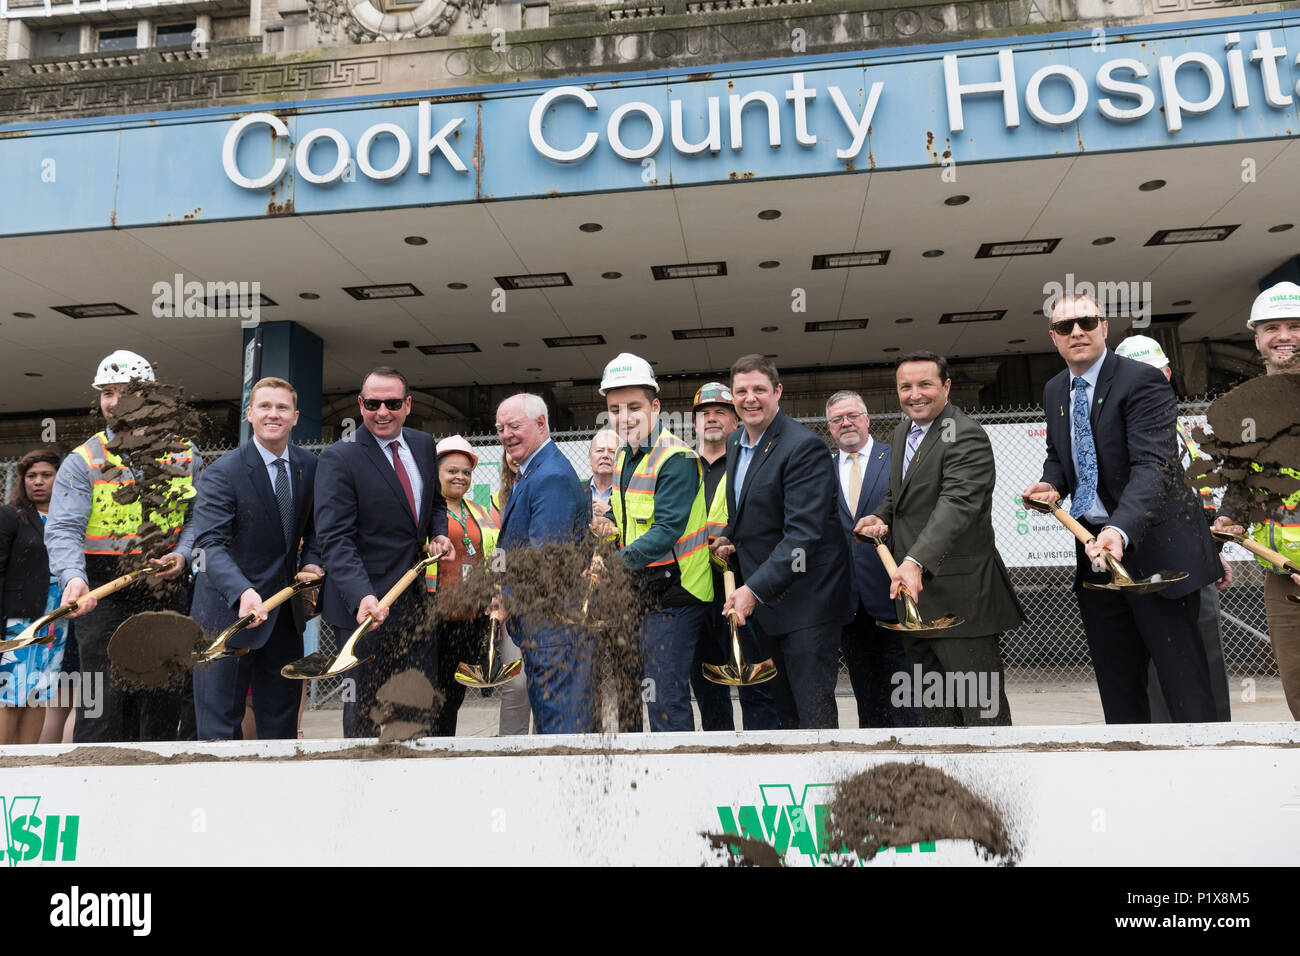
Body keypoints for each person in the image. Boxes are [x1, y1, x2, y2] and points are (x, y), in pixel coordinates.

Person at [1023, 296, 1221, 724]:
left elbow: (1154, 466)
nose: (1076, 331)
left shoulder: (1143, 381)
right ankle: (1130, 770)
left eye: (1086, 321)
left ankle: (1203, 775)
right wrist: (1050, 483)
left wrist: (1120, 528)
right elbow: (1061, 454)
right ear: (1053, 338)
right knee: (1119, 685)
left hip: (1155, 552)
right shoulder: (1055, 388)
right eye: (1064, 327)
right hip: (1095, 554)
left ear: (1105, 327)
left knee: (1183, 687)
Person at [856, 351, 1019, 726]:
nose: (915, 394)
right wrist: (880, 518)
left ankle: (994, 784)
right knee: (938, 716)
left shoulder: (966, 434)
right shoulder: (902, 432)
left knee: (982, 715)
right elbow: (900, 496)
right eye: (906, 386)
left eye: (925, 384)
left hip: (963, 602)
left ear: (946, 386)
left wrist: (914, 561)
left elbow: (957, 506)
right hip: (916, 602)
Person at [45, 350, 200, 743]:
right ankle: (94, 786)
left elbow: (201, 518)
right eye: (107, 393)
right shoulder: (83, 460)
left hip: (165, 589)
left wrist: (182, 553)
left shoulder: (186, 454)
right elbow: (63, 528)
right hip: (101, 592)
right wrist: (73, 577)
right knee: (100, 701)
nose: (114, 402)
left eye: (125, 391)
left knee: (162, 701)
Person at [710, 355, 851, 729]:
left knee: (812, 715)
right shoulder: (736, 442)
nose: (750, 398)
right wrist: (729, 536)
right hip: (770, 605)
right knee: (784, 712)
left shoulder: (803, 447)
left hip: (808, 604)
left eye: (759, 390)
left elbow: (804, 535)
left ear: (778, 392)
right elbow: (750, 511)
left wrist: (752, 590)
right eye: (741, 391)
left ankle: (825, 782)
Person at [314, 367, 451, 738]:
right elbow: (335, 539)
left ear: (407, 405)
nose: (382, 412)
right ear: (360, 405)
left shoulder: (423, 445)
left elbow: (435, 505)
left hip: (415, 605)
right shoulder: (339, 458)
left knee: (415, 709)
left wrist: (438, 535)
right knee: (364, 714)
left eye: (392, 403)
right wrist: (363, 596)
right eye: (373, 404)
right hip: (365, 610)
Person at [189, 377, 323, 740]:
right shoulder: (222, 472)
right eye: (265, 406)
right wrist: (243, 592)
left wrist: (311, 562)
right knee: (220, 729)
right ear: (250, 414)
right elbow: (209, 545)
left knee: (280, 727)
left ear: (295, 417)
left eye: (282, 408)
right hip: (225, 616)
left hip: (282, 617)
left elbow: (315, 531)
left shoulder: (310, 467)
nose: (273, 414)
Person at [1113, 335, 1232, 722]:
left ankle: (1215, 743)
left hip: (1193, 559)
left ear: (1167, 373)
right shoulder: (1117, 431)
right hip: (1145, 561)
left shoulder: (1180, 429)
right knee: (1161, 666)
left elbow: (1196, 499)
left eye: (1153, 373)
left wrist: (1210, 549)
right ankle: (1169, 746)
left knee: (1204, 660)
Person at [596, 353, 712, 733]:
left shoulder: (675, 458)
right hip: (643, 588)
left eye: (634, 407)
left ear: (655, 406)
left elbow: (666, 531)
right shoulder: (623, 458)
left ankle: (677, 779)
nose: (624, 417)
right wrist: (605, 528)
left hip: (677, 593)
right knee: (642, 692)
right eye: (614, 409)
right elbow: (623, 517)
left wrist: (613, 563)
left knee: (664, 696)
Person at [1212, 281, 1300, 718]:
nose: (1283, 335)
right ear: (1257, 338)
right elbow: (1244, 482)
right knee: (1298, 693)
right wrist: (1230, 517)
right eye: (1272, 327)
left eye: (1295, 325)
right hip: (1282, 577)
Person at [494, 393, 590, 734]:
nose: (506, 434)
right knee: (551, 724)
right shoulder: (530, 472)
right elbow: (511, 543)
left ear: (540, 423)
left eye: (514, 426)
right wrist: (496, 581)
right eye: (501, 428)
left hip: (555, 628)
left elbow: (544, 558)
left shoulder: (550, 476)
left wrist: (505, 594)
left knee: (561, 727)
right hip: (543, 629)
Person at [826, 391, 923, 729]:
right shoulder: (819, 469)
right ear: (829, 427)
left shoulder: (897, 458)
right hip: (848, 604)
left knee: (907, 695)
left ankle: (915, 767)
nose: (846, 423)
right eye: (837, 419)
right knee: (867, 697)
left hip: (895, 596)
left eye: (852, 415)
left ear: (867, 419)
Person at [688, 382, 779, 731]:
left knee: (755, 680)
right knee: (708, 684)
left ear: (736, 419)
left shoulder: (751, 462)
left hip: (744, 589)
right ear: (695, 423)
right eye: (704, 414)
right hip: (696, 590)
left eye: (720, 413)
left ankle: (763, 753)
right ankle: (718, 753)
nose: (711, 419)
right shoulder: (680, 465)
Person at [424, 435, 499, 736]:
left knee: (453, 694)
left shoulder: (479, 512)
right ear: (436, 473)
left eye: (466, 472)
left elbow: (494, 556)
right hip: (433, 616)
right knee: (431, 692)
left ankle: (446, 746)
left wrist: (495, 590)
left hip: (469, 617)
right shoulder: (425, 513)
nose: (460, 477)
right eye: (452, 470)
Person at [0, 449, 74, 745]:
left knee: (39, 692)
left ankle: (29, 761)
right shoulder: (10, 516)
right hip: (19, 619)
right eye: (31, 476)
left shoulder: (71, 517)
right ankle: (5, 763)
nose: (38, 482)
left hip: (57, 618)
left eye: (46, 475)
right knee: (11, 694)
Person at [491, 452, 532, 735]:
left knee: (545, 681)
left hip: (546, 601)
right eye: (510, 450)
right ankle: (511, 747)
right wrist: (498, 591)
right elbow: (495, 552)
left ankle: (549, 748)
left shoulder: (548, 491)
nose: (516, 456)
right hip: (509, 601)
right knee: (515, 683)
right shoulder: (494, 504)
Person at [588, 429, 619, 519]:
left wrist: (610, 513)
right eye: (599, 451)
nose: (605, 455)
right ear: (589, 458)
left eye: (612, 452)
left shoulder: (629, 493)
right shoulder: (576, 491)